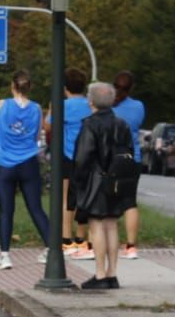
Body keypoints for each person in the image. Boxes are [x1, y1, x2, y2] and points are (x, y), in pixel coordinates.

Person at [73, 82, 138, 290]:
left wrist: (78, 182)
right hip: (117, 179)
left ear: (90, 101)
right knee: (111, 224)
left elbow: (83, 157)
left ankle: (100, 275)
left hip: (96, 180)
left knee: (97, 225)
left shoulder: (90, 125)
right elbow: (129, 153)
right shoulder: (122, 124)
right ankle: (112, 274)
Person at [0, 70, 50, 270]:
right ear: (29, 88)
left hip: (4, 164)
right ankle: (51, 249)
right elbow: (35, 136)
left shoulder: (2, 105)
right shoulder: (37, 108)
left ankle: (5, 256)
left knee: (6, 211)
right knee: (36, 208)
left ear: (12, 86)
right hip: (28, 163)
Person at [45, 68, 93, 261]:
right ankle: (82, 238)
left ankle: (66, 239)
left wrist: (51, 107)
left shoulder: (62, 106)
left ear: (64, 88)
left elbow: (47, 126)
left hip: (68, 156)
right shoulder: (91, 105)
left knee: (67, 198)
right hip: (89, 156)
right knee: (86, 196)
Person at [111, 70, 146, 260]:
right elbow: (138, 124)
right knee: (130, 202)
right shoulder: (139, 106)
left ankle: (109, 244)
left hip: (110, 160)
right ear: (131, 87)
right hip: (133, 158)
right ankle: (131, 246)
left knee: (108, 202)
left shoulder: (108, 106)